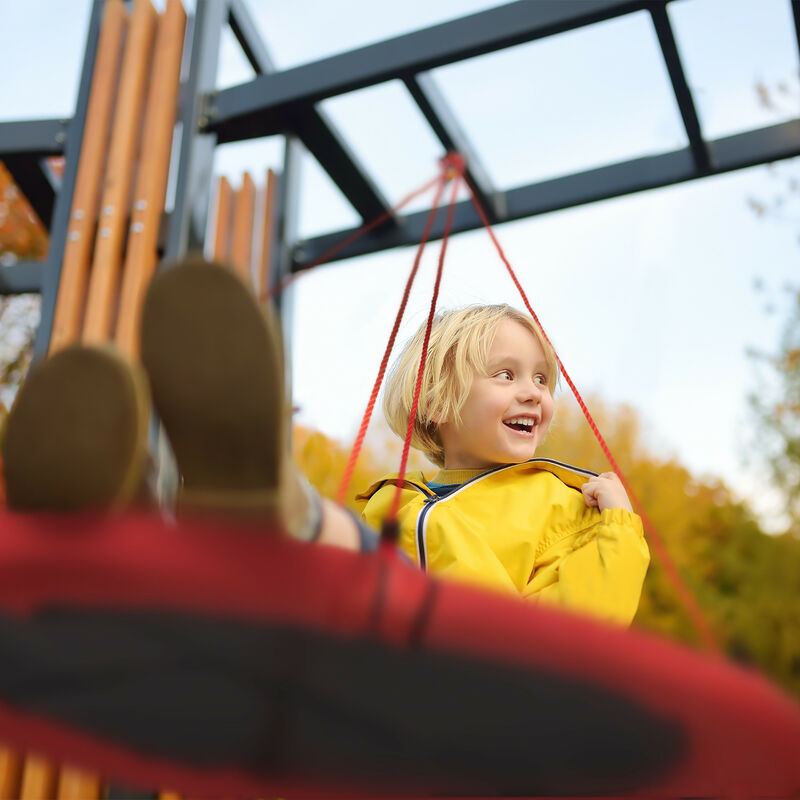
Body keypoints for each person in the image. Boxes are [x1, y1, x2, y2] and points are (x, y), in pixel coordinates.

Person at [357, 305, 650, 625]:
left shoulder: (562, 505)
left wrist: (620, 528)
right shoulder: (392, 505)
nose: (534, 393)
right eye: (506, 375)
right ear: (435, 402)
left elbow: (583, 625)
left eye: (541, 379)